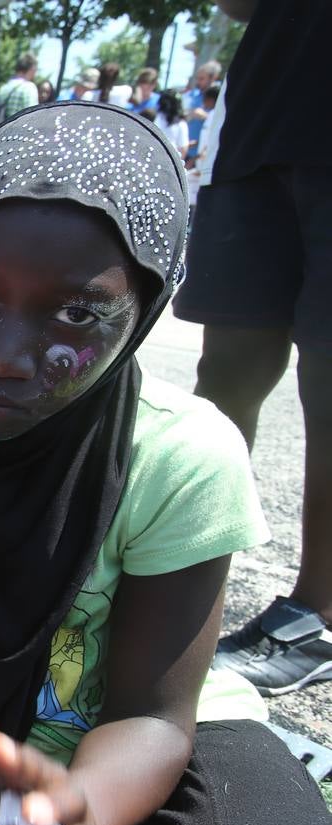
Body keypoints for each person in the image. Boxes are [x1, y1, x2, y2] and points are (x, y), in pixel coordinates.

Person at [0, 102, 332, 825]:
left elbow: (153, 716)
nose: (3, 356)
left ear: (143, 312)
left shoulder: (178, 453)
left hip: (172, 742)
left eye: (77, 313)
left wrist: (81, 808)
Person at [176, 0, 332, 697]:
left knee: (328, 380)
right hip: (265, 120)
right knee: (228, 371)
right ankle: (173, 580)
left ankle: (318, 612)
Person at [0, 52, 39, 136]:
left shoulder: (2, 89)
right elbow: (33, 117)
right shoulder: (29, 88)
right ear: (32, 69)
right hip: (18, 138)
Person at [183, 60, 222, 163]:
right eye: (197, 78)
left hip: (203, 155)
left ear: (213, 78)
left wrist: (206, 116)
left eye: (202, 79)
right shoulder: (193, 96)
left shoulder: (220, 99)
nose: (198, 82)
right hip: (187, 150)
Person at [156, 89, 190, 158]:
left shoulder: (181, 124)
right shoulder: (158, 117)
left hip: (169, 159)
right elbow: (183, 148)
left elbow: (183, 149)